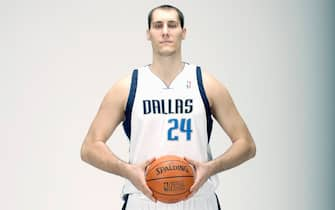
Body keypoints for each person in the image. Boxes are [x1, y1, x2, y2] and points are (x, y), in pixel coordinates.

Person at [80, 4, 256, 210]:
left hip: (198, 200)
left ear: (184, 32)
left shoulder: (206, 84)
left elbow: (247, 144)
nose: (165, 32)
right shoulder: (128, 86)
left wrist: (211, 167)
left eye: (172, 25)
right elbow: (89, 147)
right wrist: (127, 170)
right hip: (144, 200)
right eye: (158, 25)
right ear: (148, 33)